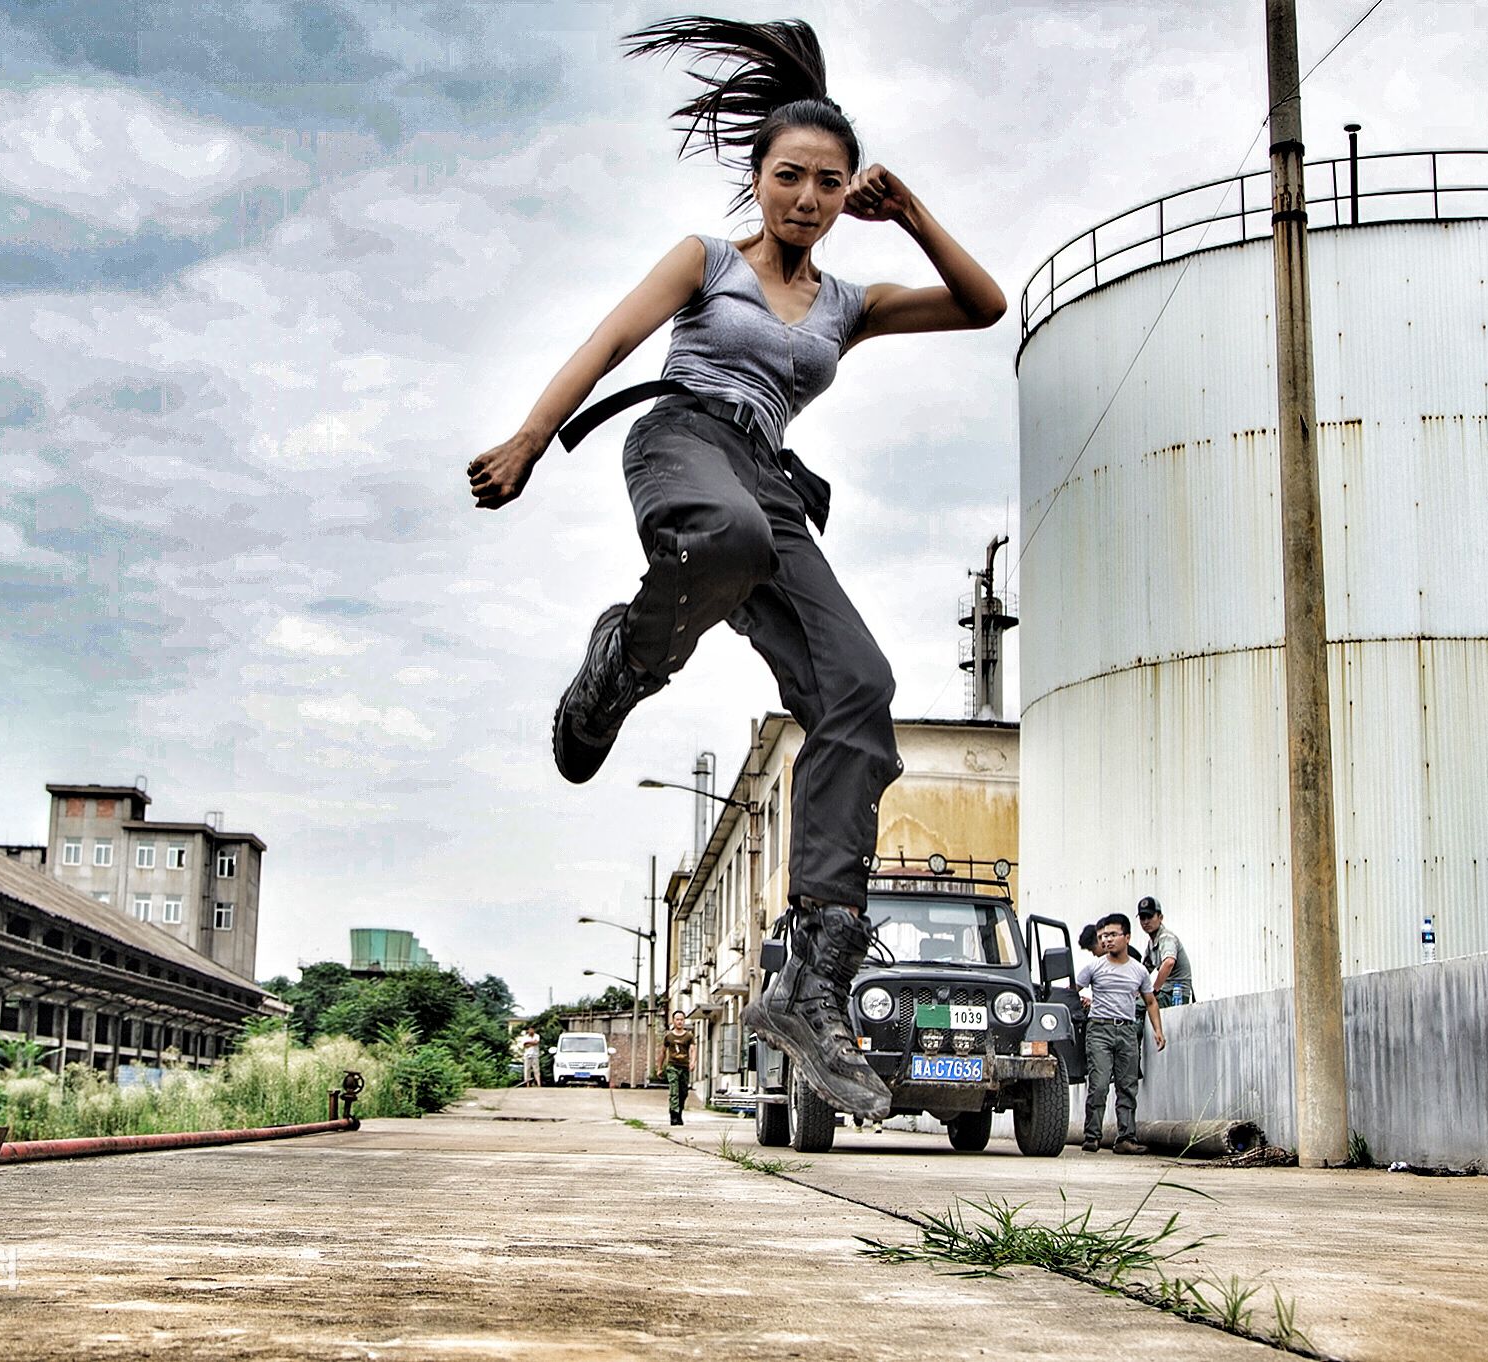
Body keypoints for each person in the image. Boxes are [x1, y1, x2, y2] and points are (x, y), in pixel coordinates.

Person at [466, 17, 1005, 1123]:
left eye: (828, 183)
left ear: (849, 190)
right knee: (729, 539)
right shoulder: (705, 263)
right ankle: (622, 663)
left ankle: (813, 984)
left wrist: (909, 215)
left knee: (861, 692)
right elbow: (612, 345)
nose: (805, 198)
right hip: (680, 439)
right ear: (757, 182)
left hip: (767, 478)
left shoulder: (848, 306)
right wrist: (528, 437)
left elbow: (981, 303)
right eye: (787, 177)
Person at [1075, 915, 1165, 1154]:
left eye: (1113, 935)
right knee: (1099, 1084)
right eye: (1103, 936)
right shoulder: (1094, 967)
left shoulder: (1138, 970)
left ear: (1127, 937)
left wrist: (1158, 1030)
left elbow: (1150, 1001)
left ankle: (1126, 1138)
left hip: (1126, 1030)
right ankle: (1092, 1136)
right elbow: (1071, 991)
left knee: (1127, 1086)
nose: (1107, 940)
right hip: (1099, 1030)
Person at [1137, 896, 1194, 1008]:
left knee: (1137, 1008)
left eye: (1150, 917)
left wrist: (1154, 990)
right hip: (1166, 992)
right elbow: (1143, 972)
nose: (1146, 921)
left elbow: (1169, 962)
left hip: (1176, 993)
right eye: (1142, 918)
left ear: (1160, 917)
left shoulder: (1166, 937)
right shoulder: (1151, 943)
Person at [659, 1011, 695, 1126]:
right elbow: (663, 1053)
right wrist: (659, 1068)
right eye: (677, 1019)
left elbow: (693, 1050)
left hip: (684, 1067)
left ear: (684, 1021)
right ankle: (674, 1115)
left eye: (681, 1019)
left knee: (683, 1092)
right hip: (672, 1066)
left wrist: (693, 1062)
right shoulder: (668, 1036)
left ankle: (679, 1113)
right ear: (673, 1021)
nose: (679, 1021)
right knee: (674, 1091)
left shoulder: (689, 1036)